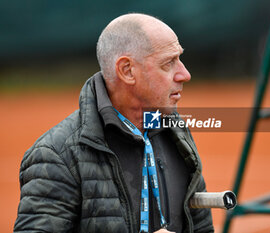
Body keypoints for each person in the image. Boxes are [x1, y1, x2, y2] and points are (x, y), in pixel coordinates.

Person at [14, 13, 214, 233]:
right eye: (168, 63)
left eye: (180, 59)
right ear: (127, 71)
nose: (185, 74)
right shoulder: (56, 155)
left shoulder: (176, 131)